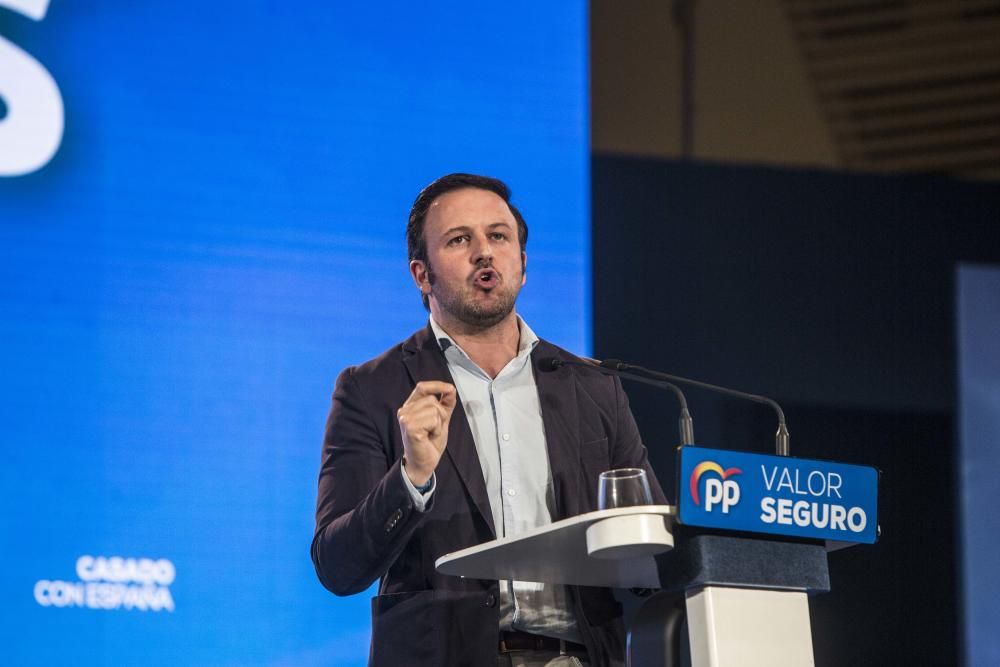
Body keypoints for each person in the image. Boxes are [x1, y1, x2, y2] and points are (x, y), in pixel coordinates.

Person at [311, 173, 666, 666]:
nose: (484, 252)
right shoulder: (372, 389)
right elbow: (337, 566)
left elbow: (652, 545)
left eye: (498, 236)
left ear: (521, 261)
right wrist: (410, 479)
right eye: (460, 240)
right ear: (421, 273)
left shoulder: (591, 385)